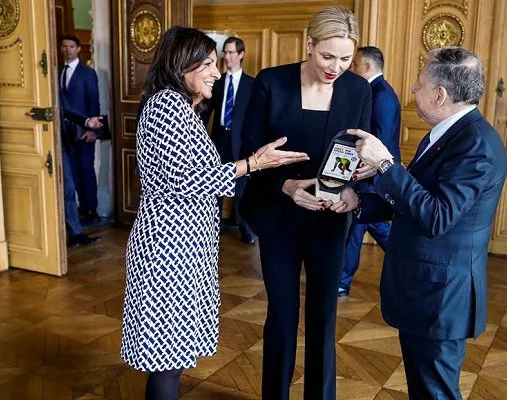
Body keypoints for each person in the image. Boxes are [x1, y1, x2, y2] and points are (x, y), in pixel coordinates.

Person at [120, 26, 309, 400]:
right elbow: (188, 181)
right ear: (181, 64)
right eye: (207, 63)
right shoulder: (167, 106)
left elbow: (195, 176)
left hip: (182, 248)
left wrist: (252, 166)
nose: (216, 72)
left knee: (168, 358)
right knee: (165, 360)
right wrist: (253, 163)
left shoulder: (181, 108)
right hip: (168, 251)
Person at [340, 47, 507, 399]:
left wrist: (387, 165)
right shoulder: (448, 134)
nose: (413, 90)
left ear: (440, 94)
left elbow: (437, 216)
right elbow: (415, 199)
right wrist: (358, 202)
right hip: (426, 290)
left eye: (419, 82)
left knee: (436, 392)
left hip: (441, 297)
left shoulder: (475, 144)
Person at [240, 6, 371, 399]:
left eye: (346, 58)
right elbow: (250, 153)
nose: (336, 66)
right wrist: (287, 186)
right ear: (308, 43)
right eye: (327, 56)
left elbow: (364, 151)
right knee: (281, 315)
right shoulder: (271, 82)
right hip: (279, 216)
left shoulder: (357, 89)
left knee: (323, 317)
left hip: (329, 220)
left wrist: (354, 191)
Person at [338, 46, 401, 297]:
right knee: (370, 224)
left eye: (354, 64)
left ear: (366, 67)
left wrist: (372, 169)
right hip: (365, 172)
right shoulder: (372, 91)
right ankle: (406, 257)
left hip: (372, 174)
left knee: (358, 225)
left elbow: (381, 138)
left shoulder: (382, 94)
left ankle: (341, 282)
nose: (351, 69)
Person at [201, 37, 256, 244]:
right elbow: (206, 111)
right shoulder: (217, 80)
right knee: (215, 185)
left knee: (241, 189)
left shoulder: (252, 83)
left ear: (241, 54)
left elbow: (254, 117)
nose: (227, 57)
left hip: (241, 142)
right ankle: (211, 228)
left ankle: (245, 229)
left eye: (232, 52)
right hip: (219, 139)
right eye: (225, 52)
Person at [59, 34, 101, 224]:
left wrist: (93, 130)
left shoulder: (87, 73)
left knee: (86, 169)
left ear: (77, 49)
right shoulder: (58, 71)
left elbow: (94, 102)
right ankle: (79, 209)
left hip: (85, 130)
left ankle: (90, 209)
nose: (67, 49)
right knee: (72, 171)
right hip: (65, 131)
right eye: (64, 46)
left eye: (71, 46)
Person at [59, 95, 102, 246]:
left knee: (69, 188)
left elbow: (65, 110)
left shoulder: (52, 80)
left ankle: (75, 234)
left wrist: (87, 121)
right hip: (40, 140)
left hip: (60, 142)